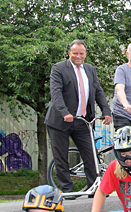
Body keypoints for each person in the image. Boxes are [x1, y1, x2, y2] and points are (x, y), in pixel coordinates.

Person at [45, 39, 113, 196]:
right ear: (69, 53)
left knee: (90, 154)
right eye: (75, 53)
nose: (78, 56)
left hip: (83, 121)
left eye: (81, 53)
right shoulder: (59, 68)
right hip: (60, 121)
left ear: (85, 54)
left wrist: (106, 111)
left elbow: (98, 91)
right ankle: (67, 191)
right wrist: (64, 112)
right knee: (61, 156)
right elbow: (56, 93)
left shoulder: (90, 70)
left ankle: (94, 189)